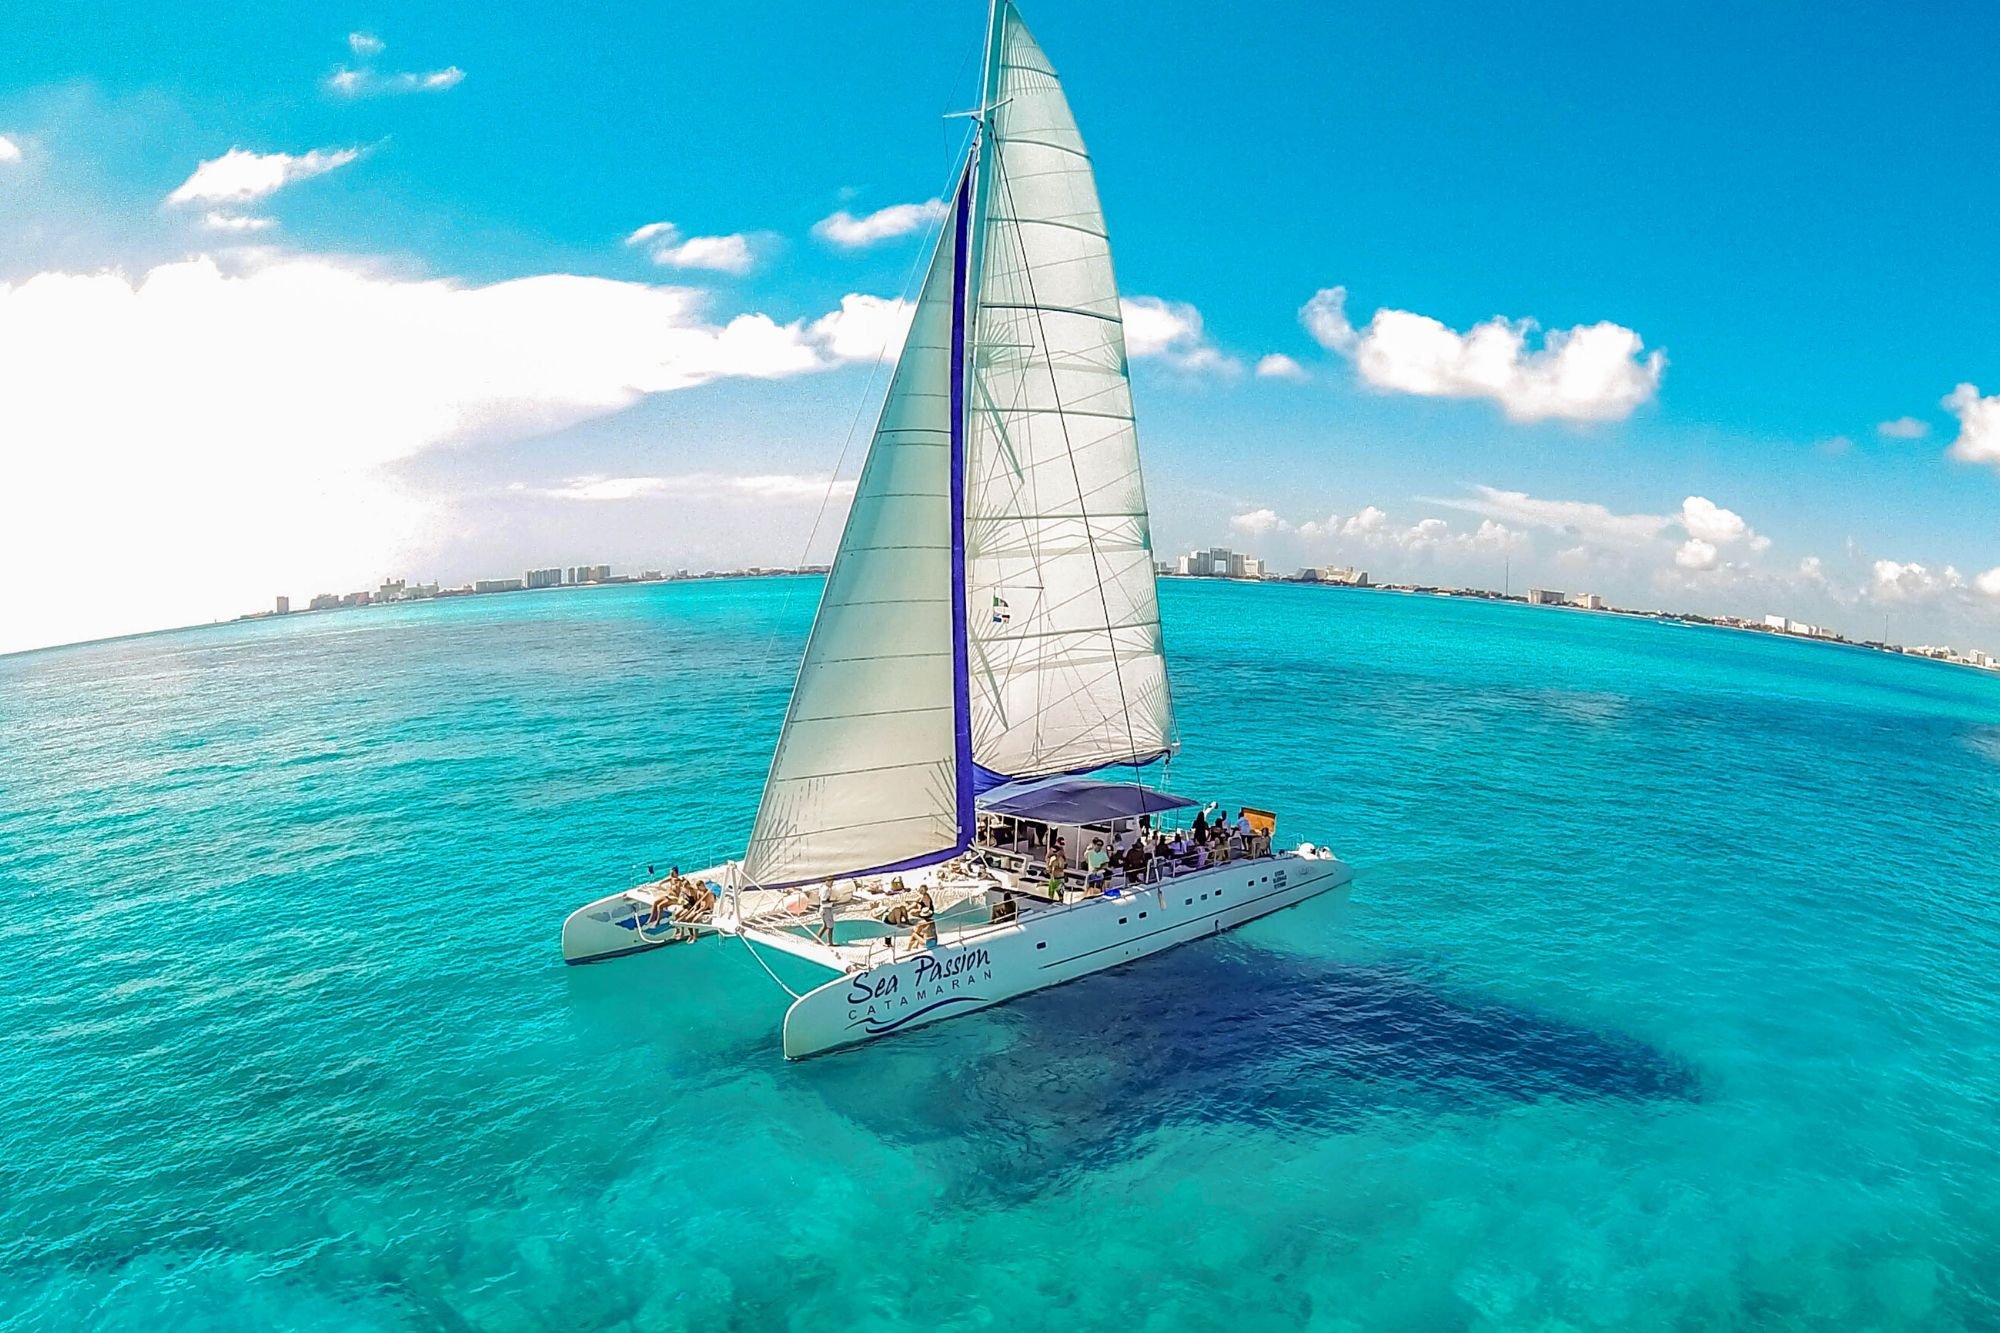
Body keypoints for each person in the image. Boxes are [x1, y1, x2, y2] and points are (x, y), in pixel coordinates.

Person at [902, 884, 937, 955]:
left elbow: (916, 932)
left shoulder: (922, 922)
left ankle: (908, 948)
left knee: (914, 934)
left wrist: (912, 928)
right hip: (935, 941)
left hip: (928, 944)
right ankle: (915, 946)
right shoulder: (932, 921)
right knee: (921, 933)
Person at [815, 878, 837, 944]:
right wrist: (833, 901)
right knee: (830, 926)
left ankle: (817, 939)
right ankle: (830, 942)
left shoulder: (822, 887)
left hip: (824, 908)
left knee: (825, 925)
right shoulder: (826, 889)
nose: (832, 883)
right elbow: (823, 900)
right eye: (831, 882)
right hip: (826, 909)